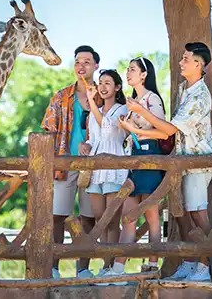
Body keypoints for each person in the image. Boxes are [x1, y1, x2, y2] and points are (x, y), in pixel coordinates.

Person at [124, 42, 212, 283]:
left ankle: (205, 266)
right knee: (182, 213)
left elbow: (169, 129)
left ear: (199, 64)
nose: (180, 62)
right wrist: (137, 130)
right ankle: (189, 261)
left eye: (186, 59)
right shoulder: (183, 90)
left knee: (198, 213)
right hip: (180, 161)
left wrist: (141, 112)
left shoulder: (200, 96)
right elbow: (168, 131)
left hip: (196, 162)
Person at [102, 57, 168, 284]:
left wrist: (133, 128)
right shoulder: (133, 101)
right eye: (128, 70)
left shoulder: (152, 99)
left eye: (132, 70)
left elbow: (163, 131)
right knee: (128, 217)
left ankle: (152, 266)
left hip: (150, 159)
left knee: (152, 216)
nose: (128, 73)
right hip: (134, 160)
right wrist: (127, 127)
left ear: (143, 75)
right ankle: (118, 270)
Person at [42, 45, 99, 279]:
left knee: (89, 218)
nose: (81, 66)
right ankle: (53, 268)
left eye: (86, 62)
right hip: (64, 164)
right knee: (57, 215)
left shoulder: (103, 95)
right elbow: (47, 129)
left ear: (96, 66)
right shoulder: (61, 96)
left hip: (94, 165)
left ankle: (83, 269)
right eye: (77, 62)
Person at [81, 69, 129, 273]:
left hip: (114, 166)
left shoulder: (122, 109)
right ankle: (105, 264)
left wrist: (92, 103)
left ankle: (110, 267)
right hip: (94, 169)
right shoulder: (95, 111)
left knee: (111, 219)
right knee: (100, 219)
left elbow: (107, 129)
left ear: (117, 87)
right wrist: (85, 145)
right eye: (100, 82)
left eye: (107, 83)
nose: (102, 86)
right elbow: (94, 137)